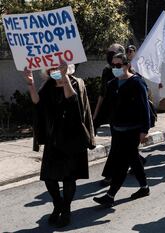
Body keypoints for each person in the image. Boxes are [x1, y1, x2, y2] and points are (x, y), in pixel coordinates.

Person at [25, 63, 95, 227]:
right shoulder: (48, 85)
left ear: (66, 68)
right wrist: (30, 85)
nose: (54, 71)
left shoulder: (76, 82)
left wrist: (64, 78)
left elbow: (73, 101)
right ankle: (58, 204)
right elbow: (38, 103)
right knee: (49, 178)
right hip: (53, 138)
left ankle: (66, 210)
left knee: (68, 178)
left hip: (72, 137)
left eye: (57, 68)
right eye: (51, 69)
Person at [93, 53, 150, 207]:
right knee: (133, 159)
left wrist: (144, 129)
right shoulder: (111, 84)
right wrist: (95, 124)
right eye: (113, 65)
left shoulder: (137, 83)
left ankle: (110, 195)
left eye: (119, 65)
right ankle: (144, 187)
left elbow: (145, 108)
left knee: (122, 163)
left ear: (127, 65)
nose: (115, 68)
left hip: (132, 130)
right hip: (117, 130)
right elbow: (107, 109)